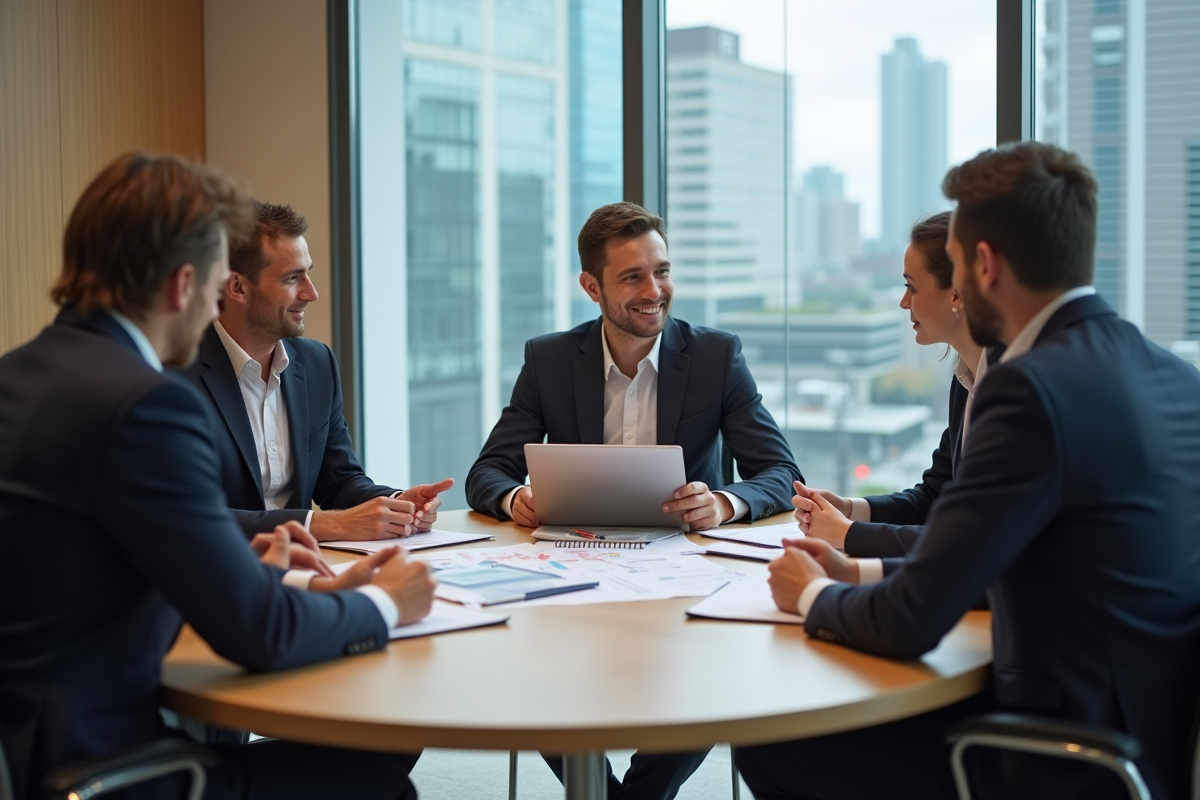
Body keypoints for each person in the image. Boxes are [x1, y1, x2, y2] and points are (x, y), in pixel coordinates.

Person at [736, 142, 1200, 800]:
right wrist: (859, 570)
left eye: (951, 262)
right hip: (1147, 739)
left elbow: (909, 622)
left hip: (1057, 756)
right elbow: (1032, 559)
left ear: (983, 265)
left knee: (773, 735)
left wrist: (810, 593)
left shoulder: (1031, 389)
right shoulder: (1174, 374)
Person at [0, 152, 436, 800]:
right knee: (375, 772)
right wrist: (384, 602)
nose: (212, 304)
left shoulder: (19, 374)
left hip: (28, 739)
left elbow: (92, 566)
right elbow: (258, 634)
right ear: (183, 285)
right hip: (109, 768)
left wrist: (257, 571)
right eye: (211, 285)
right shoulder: (145, 402)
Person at [466, 201, 802, 800]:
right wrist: (515, 496)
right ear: (591, 287)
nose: (655, 290)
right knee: (527, 667)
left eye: (662, 271)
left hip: (683, 574)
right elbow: (488, 470)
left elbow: (779, 471)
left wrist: (724, 502)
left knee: (706, 675)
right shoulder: (548, 358)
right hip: (570, 571)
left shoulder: (715, 356)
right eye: (633, 277)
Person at [177, 201, 453, 541]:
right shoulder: (173, 376)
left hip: (308, 569)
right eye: (293, 278)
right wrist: (325, 525)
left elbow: (339, 482)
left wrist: (395, 504)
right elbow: (189, 514)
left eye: (308, 272)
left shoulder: (316, 363)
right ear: (237, 287)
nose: (312, 293)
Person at [792, 211, 989, 559]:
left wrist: (849, 535)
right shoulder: (965, 379)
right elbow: (934, 496)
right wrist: (850, 509)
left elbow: (974, 539)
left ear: (956, 294)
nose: (903, 302)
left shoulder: (1015, 389)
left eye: (912, 287)